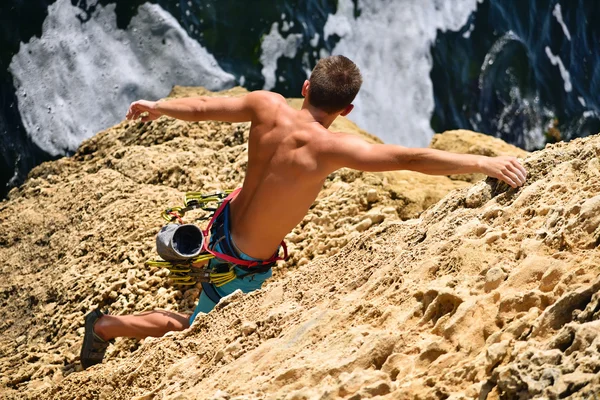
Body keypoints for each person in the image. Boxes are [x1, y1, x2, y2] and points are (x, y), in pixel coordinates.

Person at [80, 55, 527, 368]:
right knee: (194, 328)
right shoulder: (331, 147)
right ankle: (104, 327)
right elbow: (409, 159)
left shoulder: (266, 105)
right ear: (348, 108)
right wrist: (483, 162)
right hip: (243, 263)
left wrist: (157, 106)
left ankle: (171, 277)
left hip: (223, 221)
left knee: (208, 280)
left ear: (306, 87)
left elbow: (201, 108)